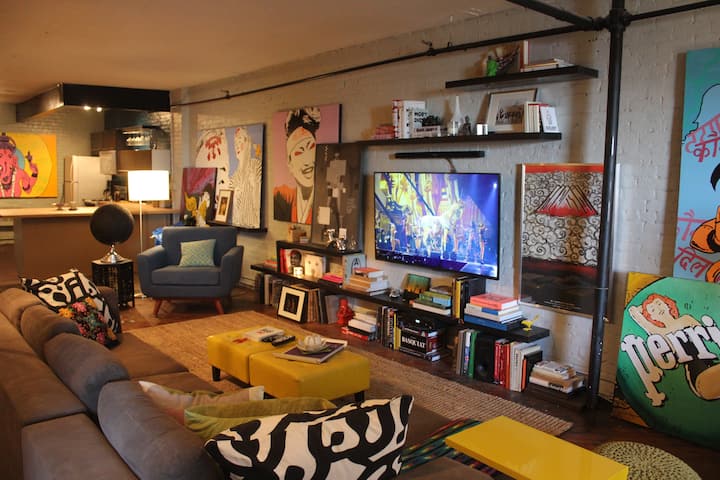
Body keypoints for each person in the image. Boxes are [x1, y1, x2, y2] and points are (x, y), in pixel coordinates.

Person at [273, 107, 320, 224]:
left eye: (311, 147)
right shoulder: (283, 196)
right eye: (299, 153)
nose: (307, 160)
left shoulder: (326, 200)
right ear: (290, 164)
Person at [228, 126, 262, 228]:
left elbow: (258, 202)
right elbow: (231, 211)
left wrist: (254, 185)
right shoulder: (233, 178)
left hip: (253, 223)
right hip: (238, 224)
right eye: (235, 143)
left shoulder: (256, 166)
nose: (237, 146)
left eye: (240, 141)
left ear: (248, 143)